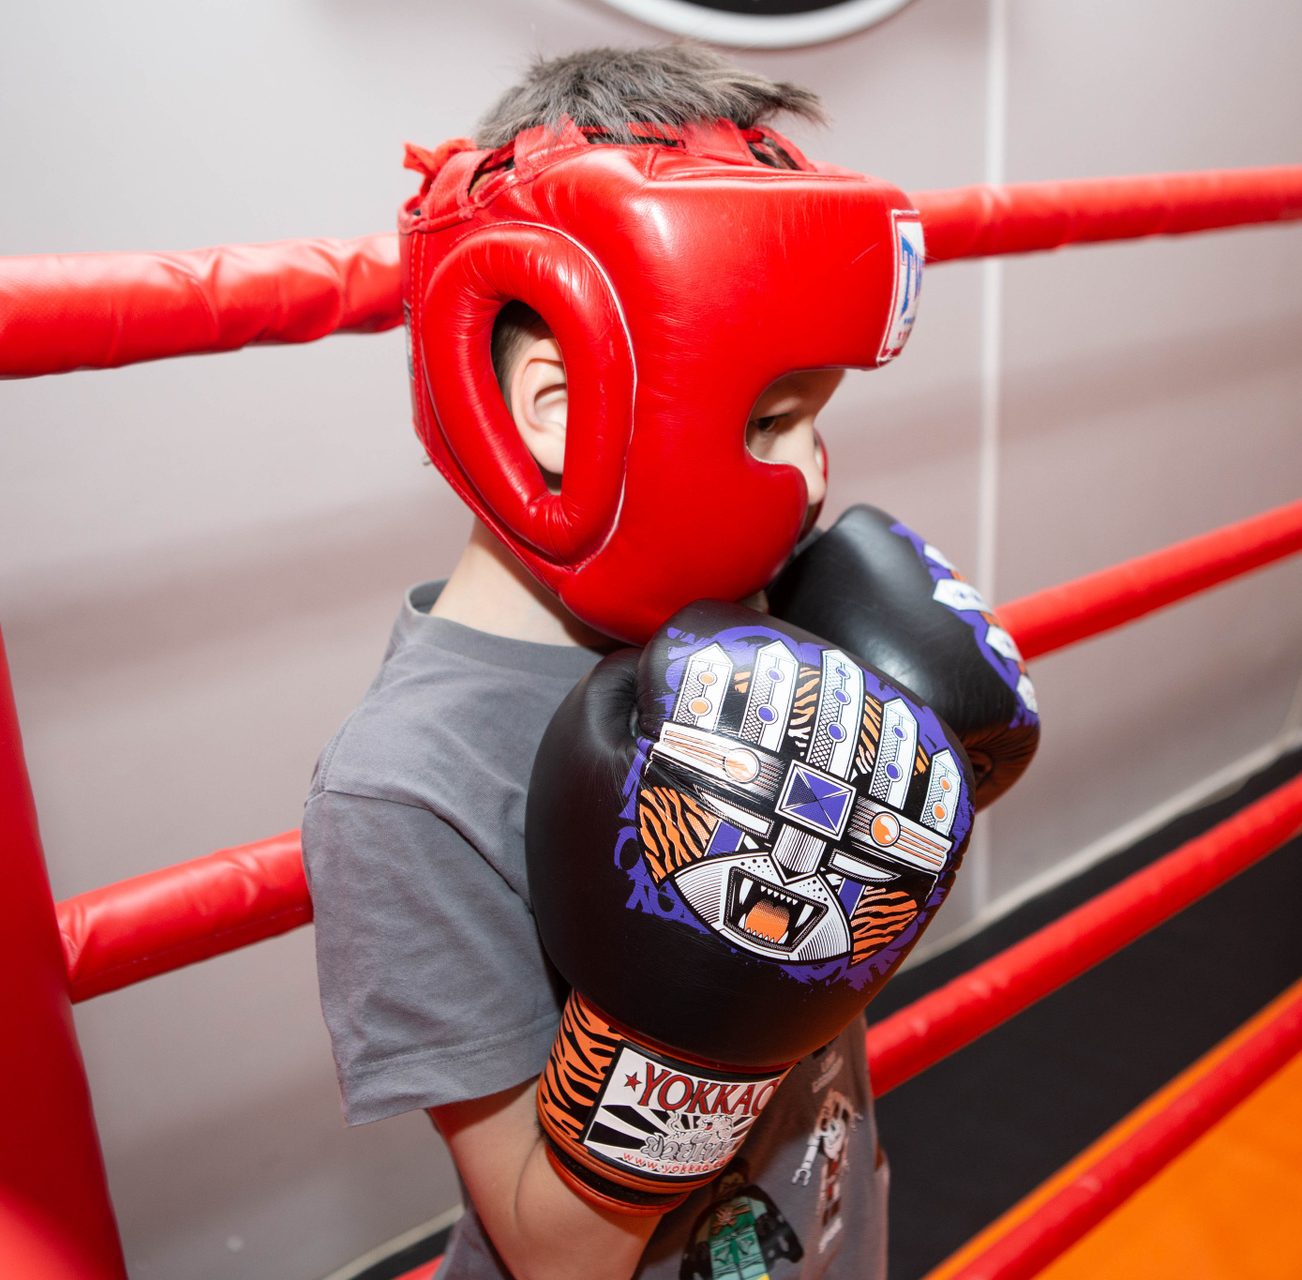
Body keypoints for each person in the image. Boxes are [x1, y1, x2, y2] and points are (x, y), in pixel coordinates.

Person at [302, 47, 893, 1280]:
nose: (814, 471)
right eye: (770, 419)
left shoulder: (745, 623)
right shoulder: (409, 786)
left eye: (819, 416)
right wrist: (725, 982)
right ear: (560, 408)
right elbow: (558, 1253)